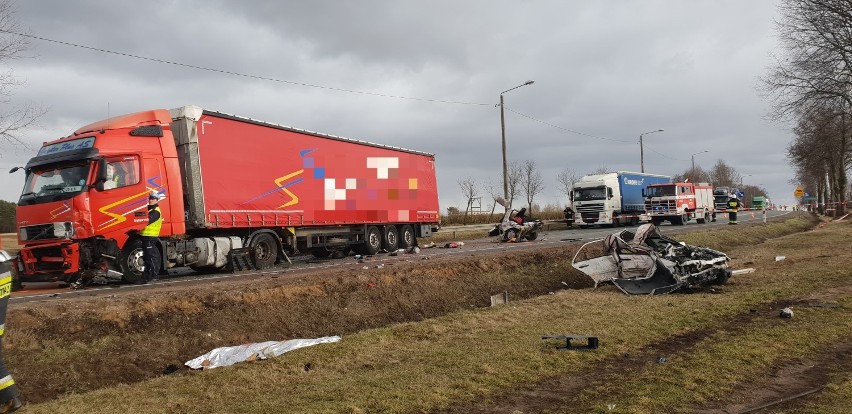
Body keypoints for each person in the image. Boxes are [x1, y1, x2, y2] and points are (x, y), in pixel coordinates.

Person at [139, 192, 163, 284]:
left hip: (150, 237)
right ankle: (146, 277)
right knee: (147, 258)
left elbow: (147, 221)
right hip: (145, 237)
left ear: (157, 200)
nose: (151, 200)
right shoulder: (150, 210)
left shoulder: (156, 211)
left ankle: (154, 276)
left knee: (151, 257)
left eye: (153, 198)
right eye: (150, 198)